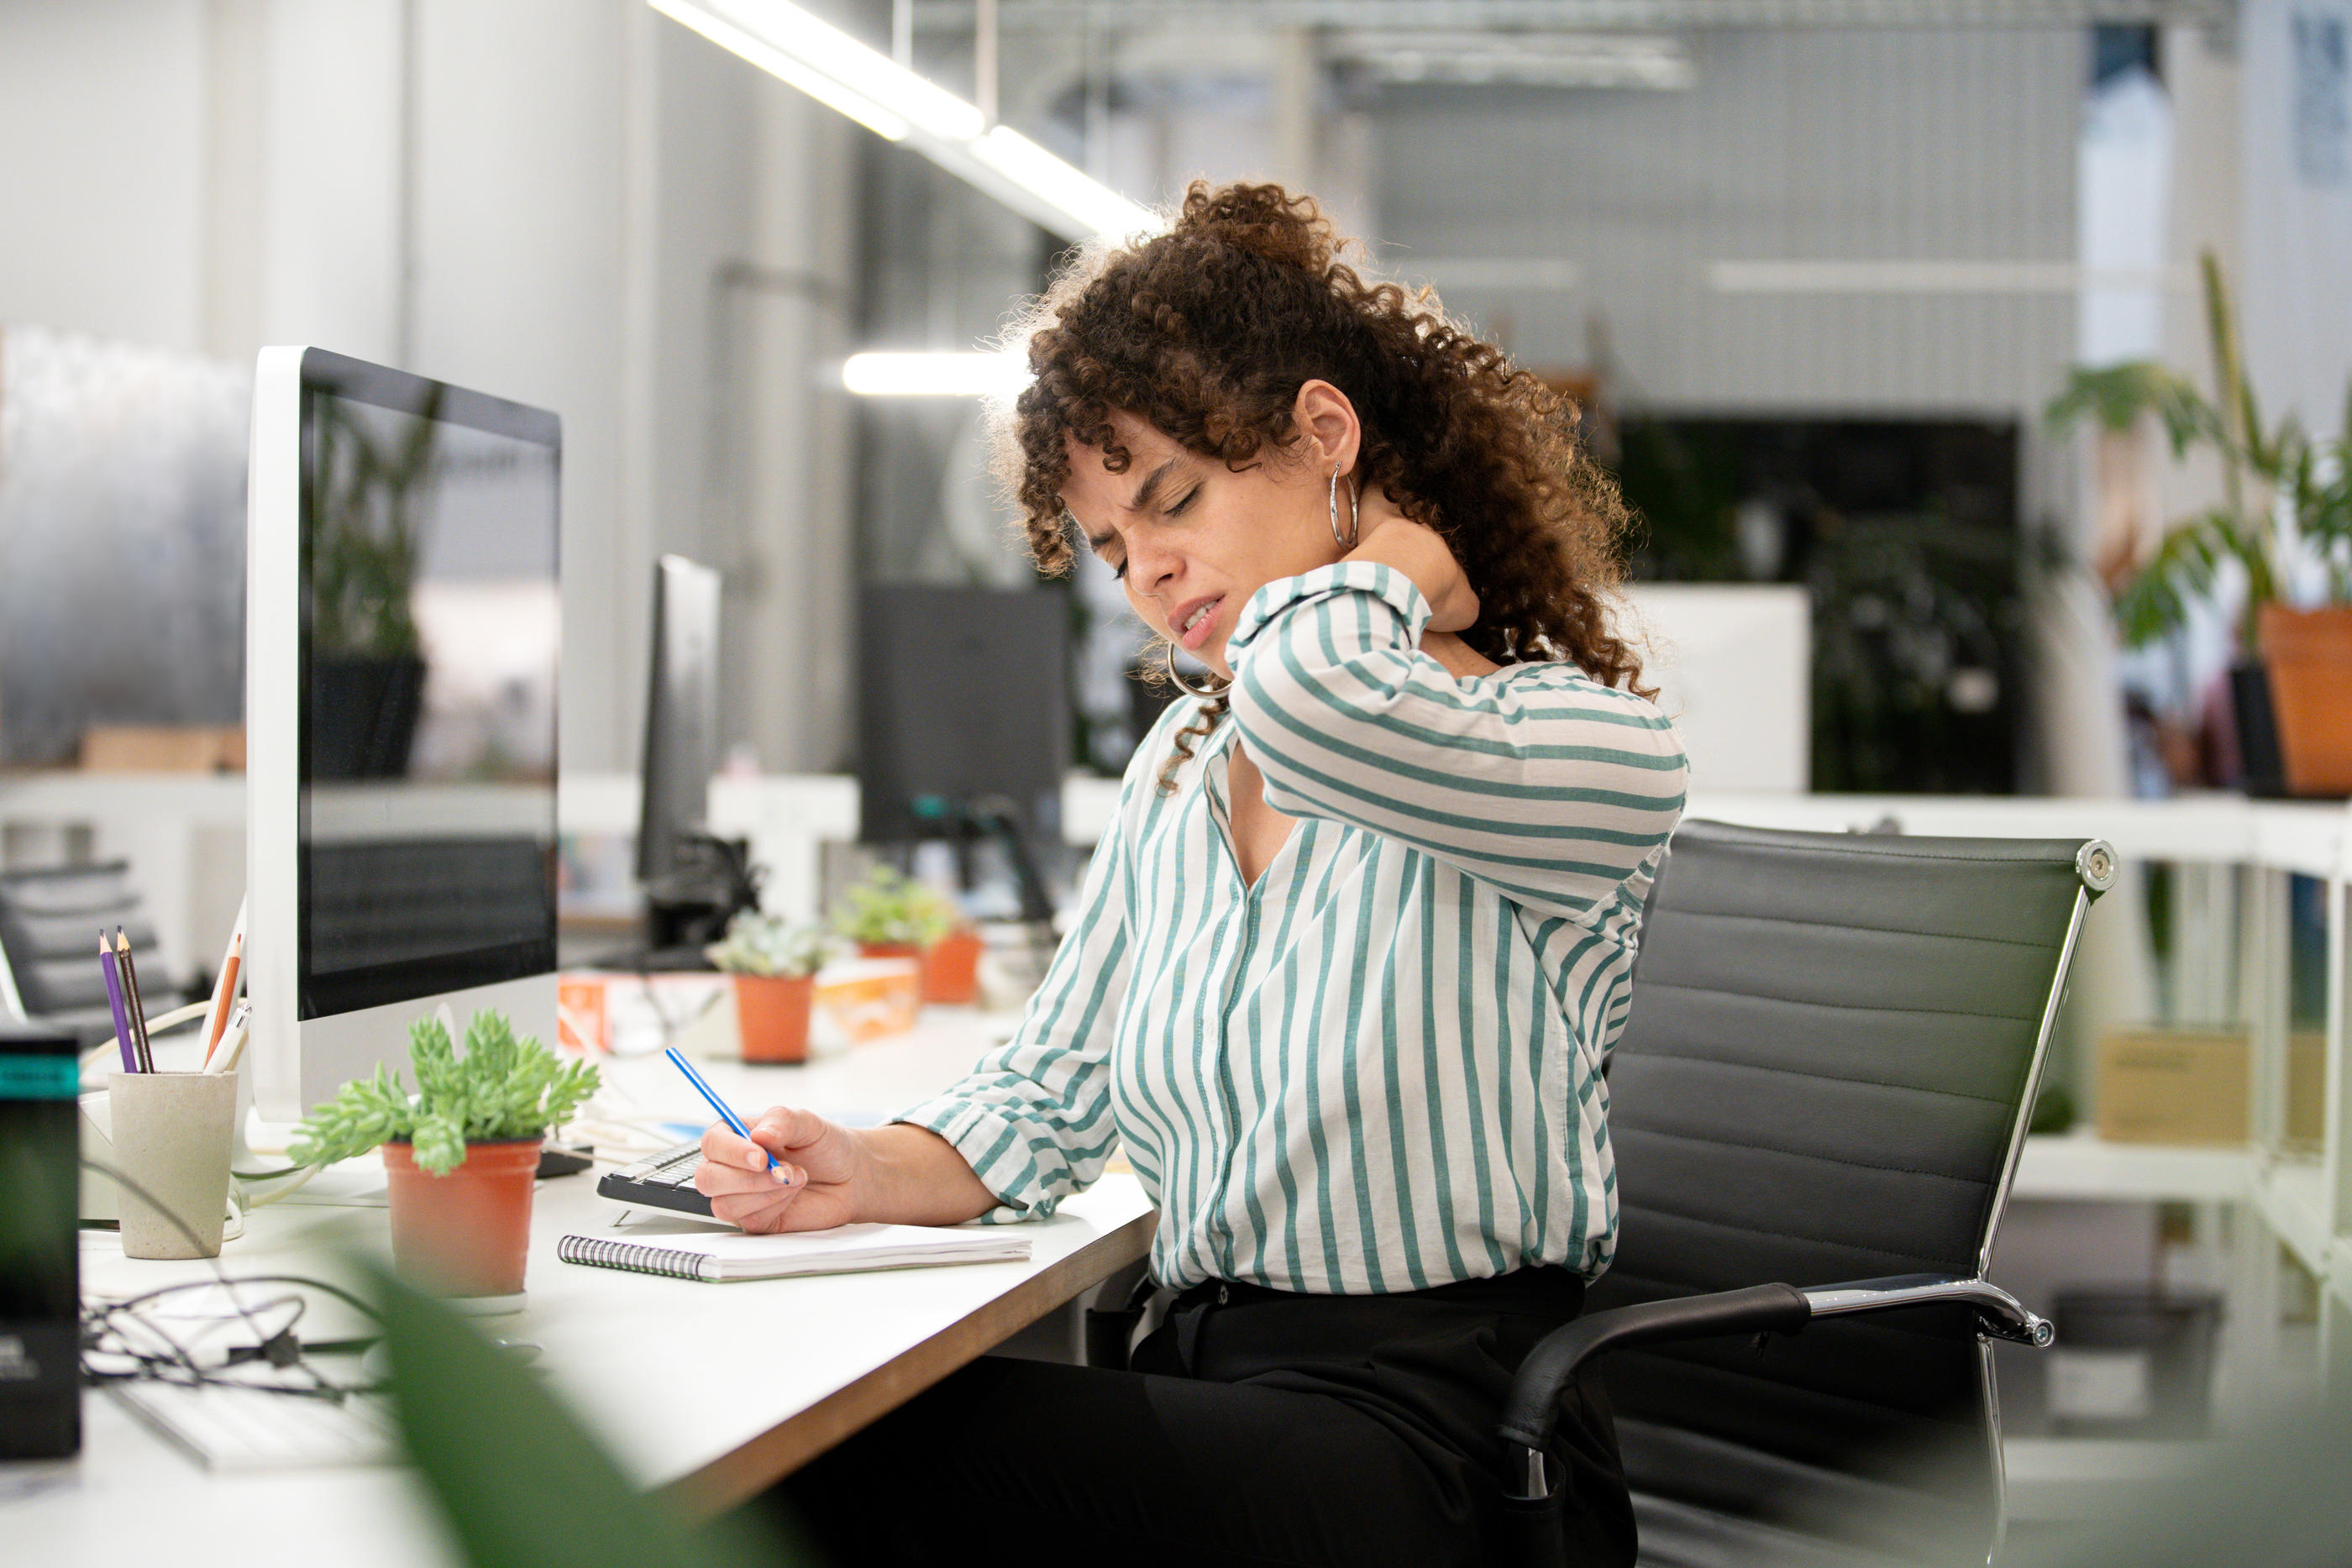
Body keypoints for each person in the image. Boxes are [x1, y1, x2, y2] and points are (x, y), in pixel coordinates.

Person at [704, 182, 1687, 1567]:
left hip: (1445, 1442)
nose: (1153, 573)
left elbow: (1326, 703)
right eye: (1112, 551)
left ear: (1324, 435)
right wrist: (857, 1167)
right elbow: (1051, 1092)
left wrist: (1397, 553)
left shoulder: (1572, 744)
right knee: (803, 1431)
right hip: (1215, 1392)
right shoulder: (1181, 769)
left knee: (815, 1479)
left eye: (1174, 500)